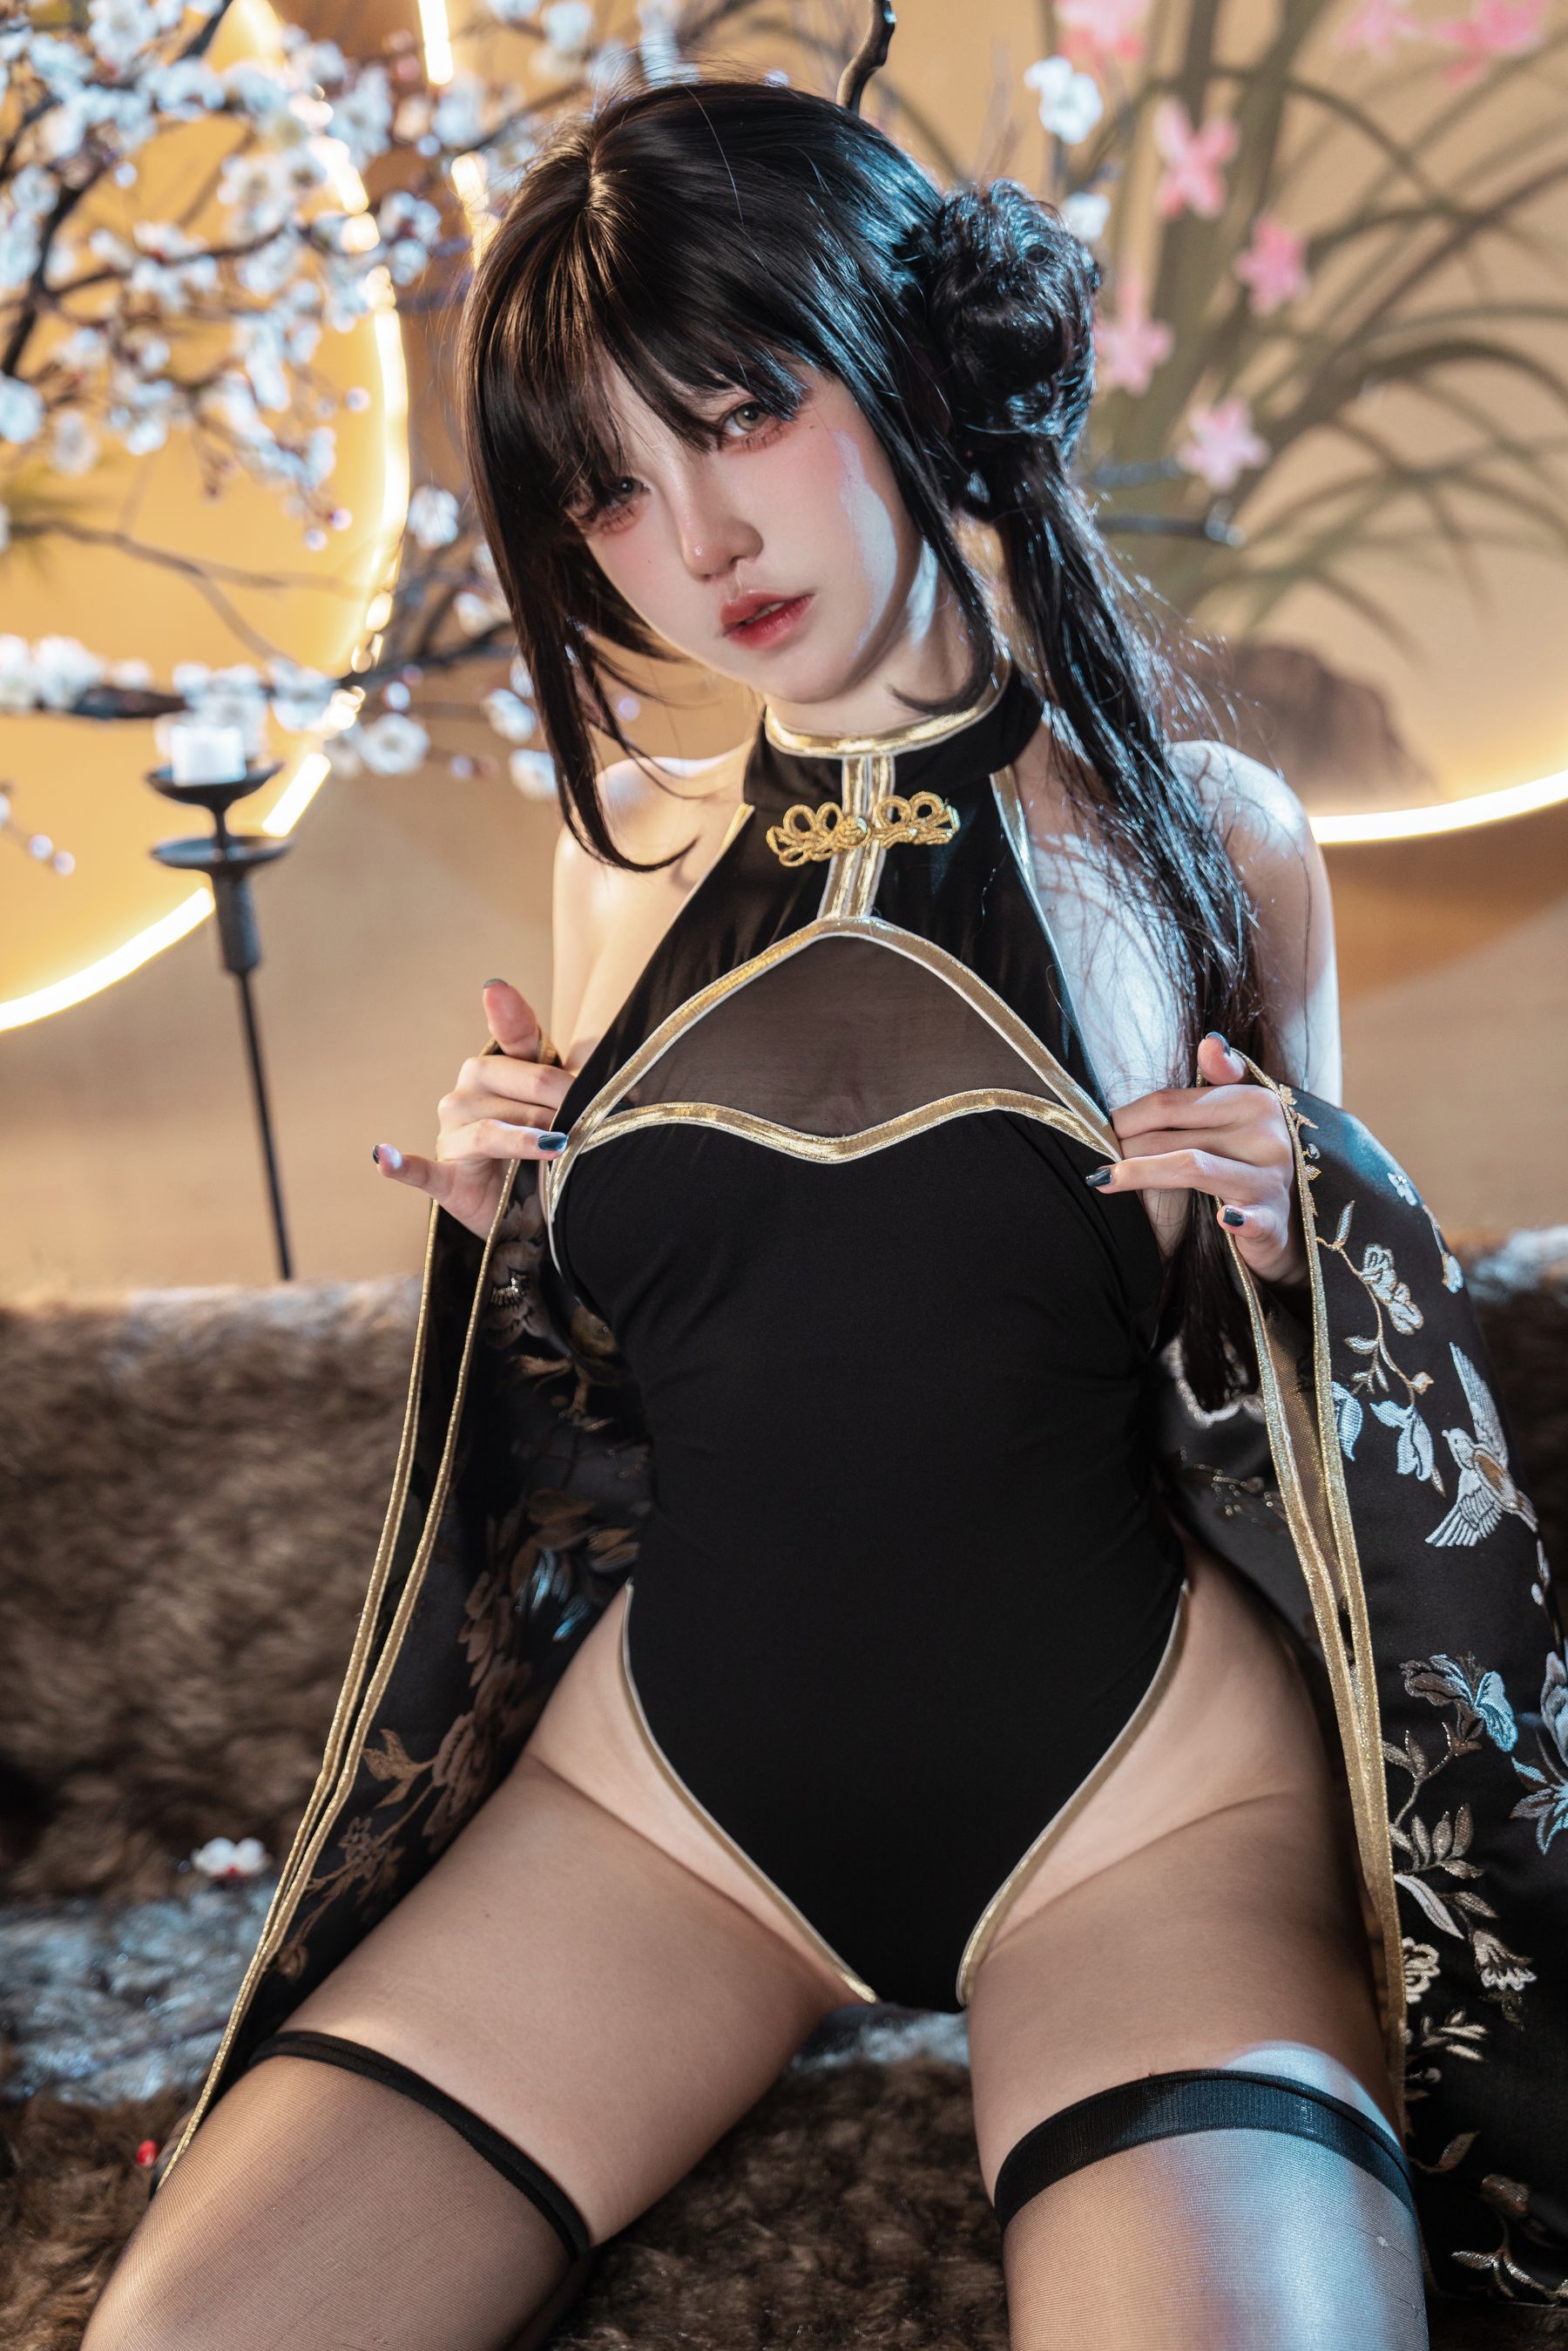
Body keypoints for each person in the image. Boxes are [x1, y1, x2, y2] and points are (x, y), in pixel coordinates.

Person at [83, 65, 1564, 2351]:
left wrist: (1314, 1226)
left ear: (910, 358)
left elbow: (1312, 1459)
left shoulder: (1213, 839)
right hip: (668, 1811)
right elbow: (638, 1390)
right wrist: (508, 1225)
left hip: (1145, 1806)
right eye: (607, 488)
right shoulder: (616, 871)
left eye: (742, 415)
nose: (697, 543)